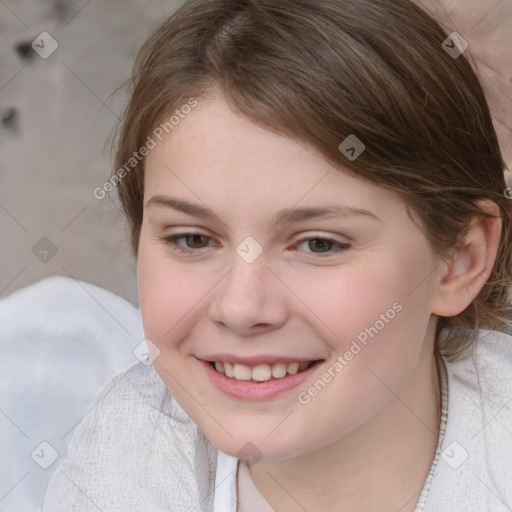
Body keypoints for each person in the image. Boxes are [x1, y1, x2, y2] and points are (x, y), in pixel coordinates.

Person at [42, 0, 512, 510]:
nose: (241, 309)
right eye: (193, 239)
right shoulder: (118, 463)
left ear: (460, 260)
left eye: (318, 244)